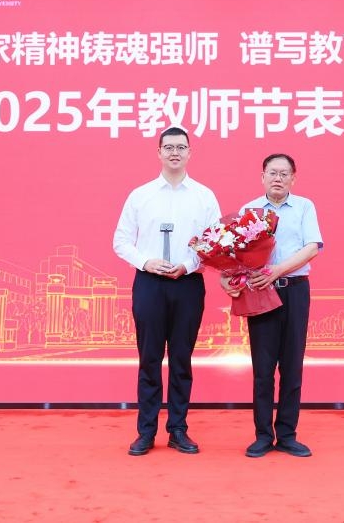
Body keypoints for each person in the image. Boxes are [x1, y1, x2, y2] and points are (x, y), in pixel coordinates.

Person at [113, 126, 221, 456]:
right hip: (150, 284)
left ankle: (178, 429)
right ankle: (146, 431)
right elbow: (121, 241)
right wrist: (146, 262)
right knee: (149, 358)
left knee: (181, 359)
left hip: (187, 284)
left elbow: (215, 244)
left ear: (190, 153)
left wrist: (187, 265)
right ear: (158, 152)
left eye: (181, 147)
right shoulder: (140, 195)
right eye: (169, 147)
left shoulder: (204, 196)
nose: (175, 152)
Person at [227, 153, 323, 458]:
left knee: (292, 366)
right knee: (263, 367)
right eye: (272, 172)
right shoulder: (249, 210)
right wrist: (229, 279)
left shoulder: (305, 207)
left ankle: (287, 435)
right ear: (262, 177)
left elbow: (312, 247)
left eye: (284, 173)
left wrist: (278, 271)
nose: (277, 178)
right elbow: (236, 253)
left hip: (294, 290)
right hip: (260, 291)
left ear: (293, 178)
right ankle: (263, 435)